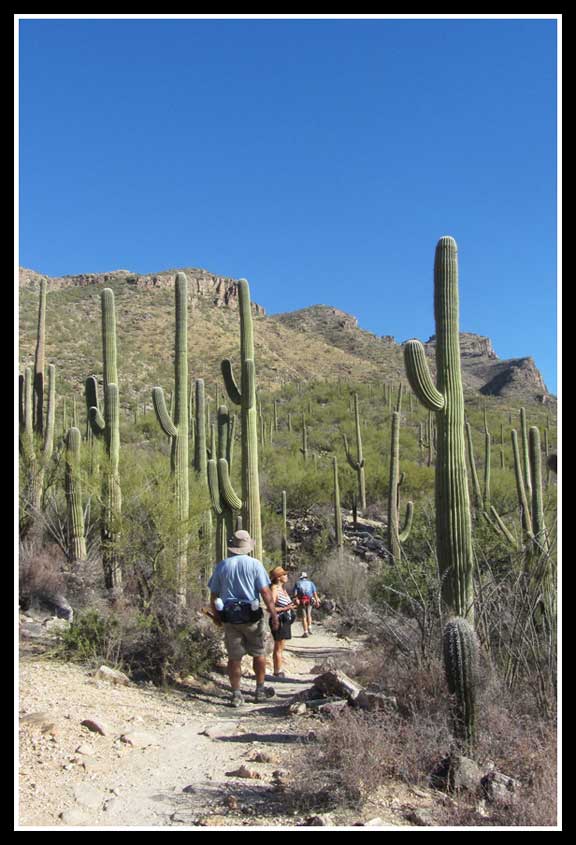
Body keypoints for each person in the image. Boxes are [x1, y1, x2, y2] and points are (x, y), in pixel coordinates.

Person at [209, 530, 280, 707]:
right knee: (259, 653)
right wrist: (274, 614)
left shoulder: (222, 565)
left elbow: (214, 594)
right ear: (248, 546)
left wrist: (216, 615)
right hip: (252, 617)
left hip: (230, 617)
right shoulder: (255, 565)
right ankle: (260, 690)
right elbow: (265, 592)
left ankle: (236, 694)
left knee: (234, 657)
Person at [268, 566, 298, 678]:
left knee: (281, 646)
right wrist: (285, 608)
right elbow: (270, 608)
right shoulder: (274, 589)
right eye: (284, 574)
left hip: (285, 620)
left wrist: (292, 604)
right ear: (278, 577)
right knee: (278, 646)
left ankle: (278, 669)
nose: (286, 576)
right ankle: (277, 671)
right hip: (278, 620)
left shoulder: (282, 589)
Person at [294, 571, 320, 637]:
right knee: (309, 614)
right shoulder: (311, 583)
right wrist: (317, 601)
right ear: (306, 577)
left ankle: (305, 632)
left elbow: (295, 594)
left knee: (304, 616)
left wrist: (296, 599)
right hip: (310, 600)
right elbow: (315, 593)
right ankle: (310, 627)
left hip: (301, 601)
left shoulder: (297, 583)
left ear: (300, 577)